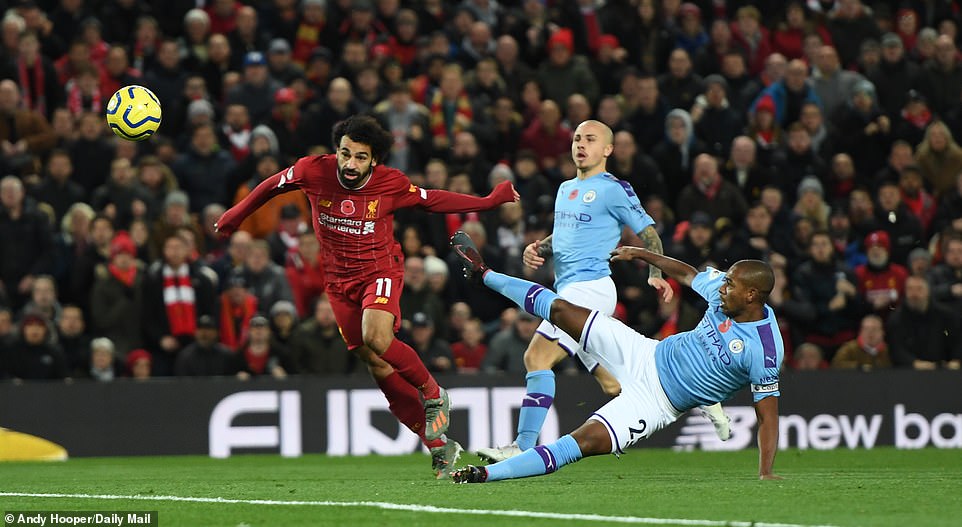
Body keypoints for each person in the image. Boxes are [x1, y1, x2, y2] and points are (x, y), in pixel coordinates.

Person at [215, 115, 518, 478]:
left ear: (373, 160)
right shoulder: (313, 170)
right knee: (376, 363)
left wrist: (488, 201)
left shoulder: (390, 182)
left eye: (360, 157)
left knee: (377, 336)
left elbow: (432, 199)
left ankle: (434, 393)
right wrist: (236, 214)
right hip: (338, 283)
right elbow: (271, 185)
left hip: (379, 270)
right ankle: (437, 443)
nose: (350, 163)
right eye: (345, 153)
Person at [474, 120, 731, 465]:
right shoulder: (565, 188)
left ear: (608, 149)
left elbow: (649, 234)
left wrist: (655, 273)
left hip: (590, 289)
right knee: (613, 384)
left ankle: (522, 446)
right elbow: (565, 235)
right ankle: (699, 393)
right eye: (577, 138)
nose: (581, 144)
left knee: (537, 358)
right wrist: (539, 247)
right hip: (571, 289)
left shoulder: (614, 189)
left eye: (591, 139)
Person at [448, 232, 783, 483]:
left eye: (730, 285)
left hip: (655, 403)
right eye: (724, 281)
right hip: (643, 352)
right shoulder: (723, 293)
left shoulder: (764, 349)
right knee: (562, 310)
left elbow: (767, 416)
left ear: (751, 295)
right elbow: (686, 273)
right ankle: (484, 274)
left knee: (580, 442)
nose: (722, 287)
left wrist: (765, 471)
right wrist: (642, 254)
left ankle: (484, 474)